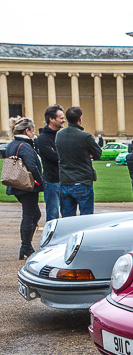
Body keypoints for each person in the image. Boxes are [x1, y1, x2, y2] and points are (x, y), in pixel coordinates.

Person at [5, 118, 44, 259]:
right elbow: (32, 166)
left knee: (35, 214)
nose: (33, 133)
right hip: (26, 185)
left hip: (15, 184)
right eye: (32, 130)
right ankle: (26, 247)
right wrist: (40, 182)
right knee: (29, 216)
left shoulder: (11, 144)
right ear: (27, 131)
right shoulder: (26, 146)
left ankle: (25, 246)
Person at [55, 106, 101, 217]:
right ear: (80, 119)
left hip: (65, 181)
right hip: (82, 181)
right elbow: (98, 153)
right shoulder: (85, 136)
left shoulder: (59, 135)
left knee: (67, 218)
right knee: (86, 218)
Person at [36, 104, 65, 221]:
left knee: (68, 215)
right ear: (51, 119)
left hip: (66, 180)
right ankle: (51, 238)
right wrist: (64, 154)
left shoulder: (62, 135)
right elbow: (53, 157)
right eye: (61, 118)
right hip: (52, 181)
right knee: (53, 216)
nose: (64, 120)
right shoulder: (42, 138)